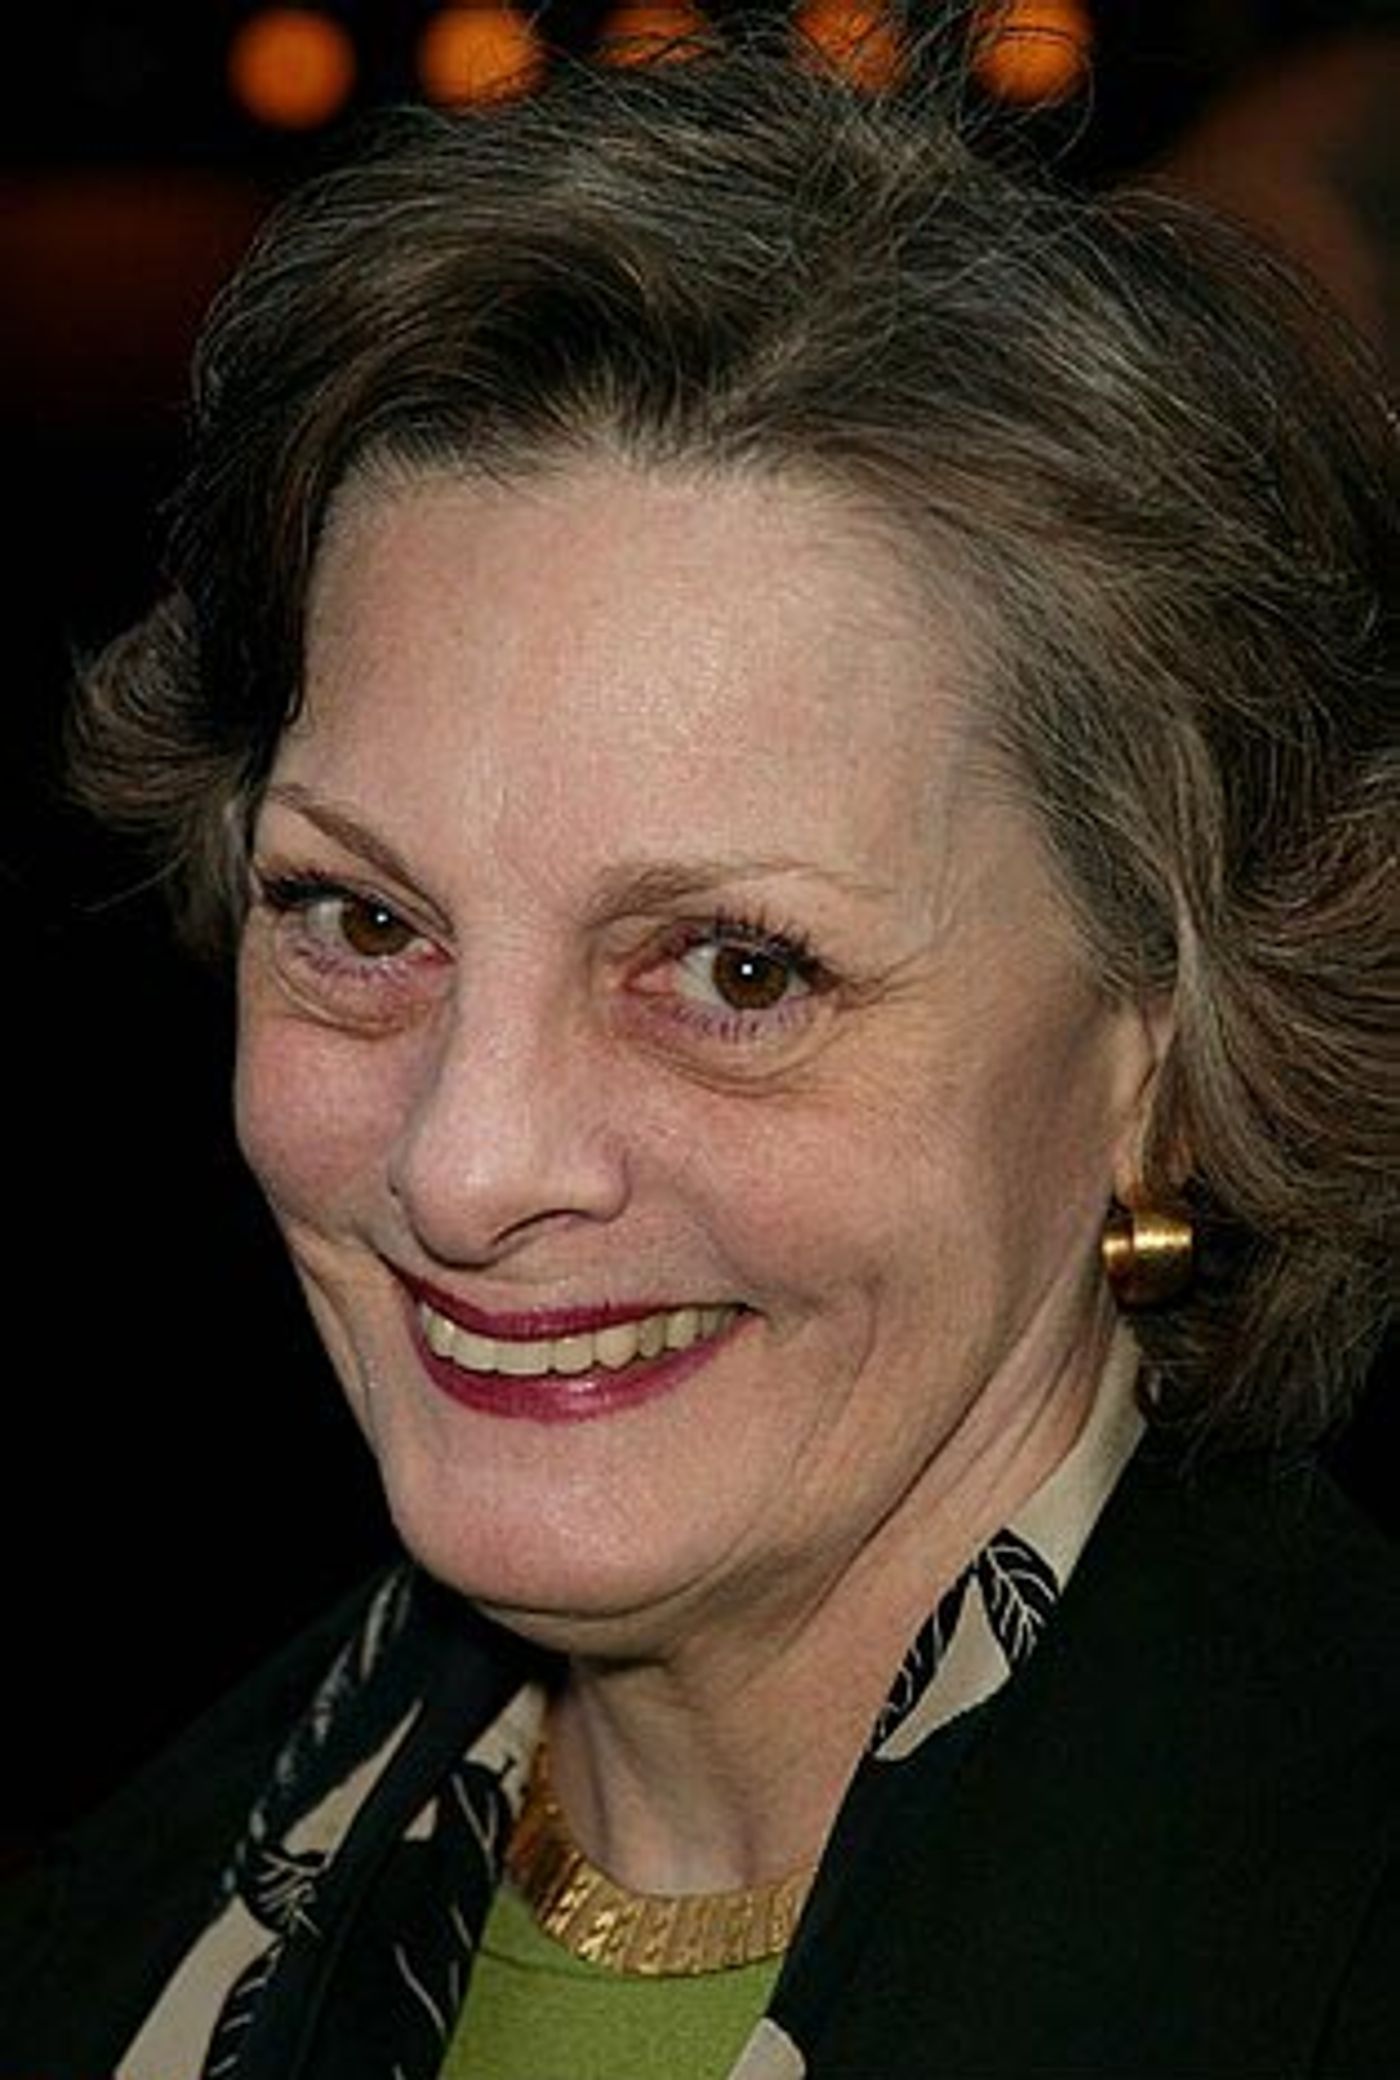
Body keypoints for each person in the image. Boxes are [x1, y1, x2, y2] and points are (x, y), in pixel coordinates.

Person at [3, 33, 1397, 2080]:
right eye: (364, 924)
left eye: (738, 971)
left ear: (1169, 1050)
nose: (467, 1164)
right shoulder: (119, 1943)